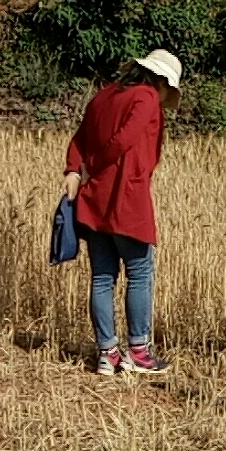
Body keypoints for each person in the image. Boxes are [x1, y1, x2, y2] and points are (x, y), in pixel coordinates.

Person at [64, 49, 181, 376]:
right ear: (161, 82)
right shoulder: (146, 97)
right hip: (126, 198)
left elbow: (79, 138)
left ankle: (107, 354)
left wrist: (75, 169)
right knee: (140, 272)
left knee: (102, 277)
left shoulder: (104, 95)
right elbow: (124, 139)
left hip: (94, 200)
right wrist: (93, 164)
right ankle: (139, 353)